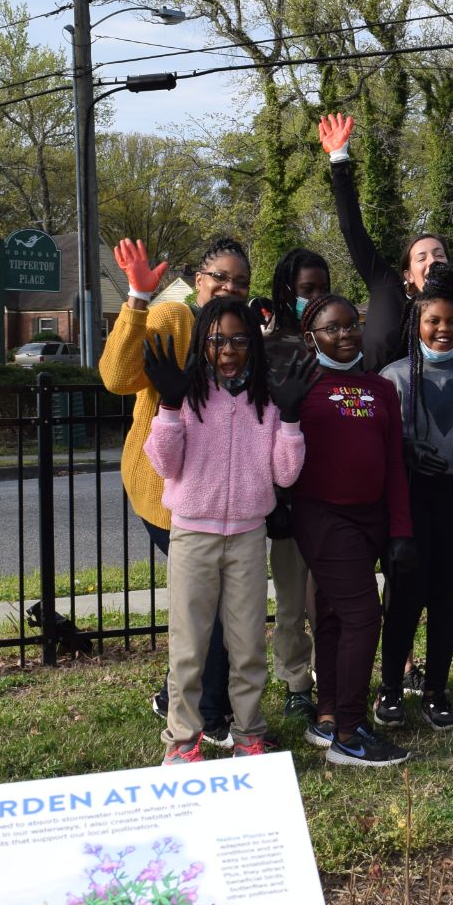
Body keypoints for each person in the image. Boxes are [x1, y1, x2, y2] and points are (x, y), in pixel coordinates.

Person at [141, 300, 316, 762]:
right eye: (217, 340)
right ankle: (183, 742)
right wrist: (169, 406)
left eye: (239, 339)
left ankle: (249, 733)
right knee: (189, 647)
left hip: (247, 536)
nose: (228, 350)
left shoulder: (266, 400)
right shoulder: (188, 394)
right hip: (192, 534)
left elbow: (285, 474)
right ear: (203, 343)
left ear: (253, 342)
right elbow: (165, 464)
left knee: (247, 644)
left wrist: (291, 418)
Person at [102, 236, 253, 743]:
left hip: (219, 493)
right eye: (220, 277)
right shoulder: (174, 319)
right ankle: (210, 716)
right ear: (199, 279)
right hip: (166, 490)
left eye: (240, 281)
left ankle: (176, 697)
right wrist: (137, 299)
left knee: (212, 599)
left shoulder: (241, 334)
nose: (229, 287)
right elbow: (118, 378)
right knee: (209, 604)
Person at [376, 264, 453, 731]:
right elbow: (379, 442)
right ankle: (391, 686)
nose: (443, 329)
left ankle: (436, 690)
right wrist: (404, 450)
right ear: (417, 325)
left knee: (446, 595)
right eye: (433, 321)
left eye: (452, 321)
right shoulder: (394, 377)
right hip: (409, 496)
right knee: (404, 594)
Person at [294, 292, 417, 767]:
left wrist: (400, 530)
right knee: (363, 615)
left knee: (332, 614)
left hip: (373, 516)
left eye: (352, 325)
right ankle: (350, 732)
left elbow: (394, 464)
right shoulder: (302, 386)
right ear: (312, 337)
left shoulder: (380, 388)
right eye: (333, 328)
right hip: (324, 517)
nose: (345, 334)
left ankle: (327, 716)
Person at [257, 248, 332, 725]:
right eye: (307, 290)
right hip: (287, 493)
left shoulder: (335, 339)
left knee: (331, 597)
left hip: (333, 490)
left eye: (322, 288)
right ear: (287, 292)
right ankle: (296, 683)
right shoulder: (268, 349)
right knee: (290, 600)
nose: (316, 297)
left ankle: (332, 677)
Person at [321, 112, 450, 372]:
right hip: (371, 393)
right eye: (422, 257)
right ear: (408, 274)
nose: (432, 261)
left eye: (439, 255)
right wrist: (339, 159)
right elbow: (351, 229)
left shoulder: (452, 313)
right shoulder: (386, 287)